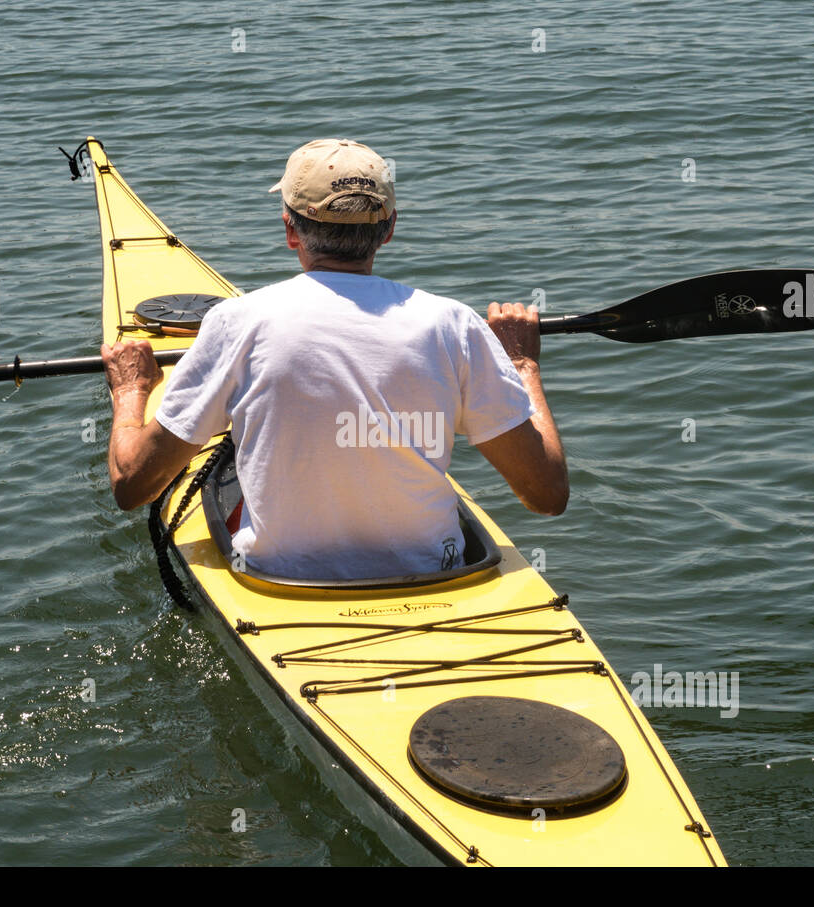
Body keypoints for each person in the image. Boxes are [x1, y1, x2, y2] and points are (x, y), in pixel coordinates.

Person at [101, 138, 567, 580]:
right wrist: (522, 365)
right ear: (389, 230)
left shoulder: (235, 323)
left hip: (280, 582)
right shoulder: (454, 324)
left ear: (290, 229)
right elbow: (546, 495)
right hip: (433, 576)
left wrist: (129, 392)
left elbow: (133, 486)